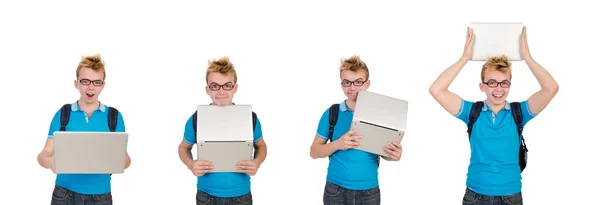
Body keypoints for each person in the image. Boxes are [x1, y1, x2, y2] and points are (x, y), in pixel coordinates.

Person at [429, 27, 559, 205]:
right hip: (475, 195)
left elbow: (551, 89)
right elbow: (436, 90)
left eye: (504, 83)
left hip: (511, 196)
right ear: (482, 86)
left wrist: (527, 58)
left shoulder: (519, 113)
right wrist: (464, 58)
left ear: (510, 85)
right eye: (492, 83)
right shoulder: (471, 112)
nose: (499, 89)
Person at [37, 54, 132, 205]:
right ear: (77, 83)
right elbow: (43, 155)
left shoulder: (114, 117)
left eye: (97, 82)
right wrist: (51, 162)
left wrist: (119, 162)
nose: (91, 87)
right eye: (85, 81)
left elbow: (126, 160)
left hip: (101, 196)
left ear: (103, 85)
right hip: (64, 194)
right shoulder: (63, 114)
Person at [309, 55, 403, 205]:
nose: (352, 88)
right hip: (335, 191)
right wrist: (337, 144)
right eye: (347, 82)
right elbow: (313, 152)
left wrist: (393, 155)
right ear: (342, 84)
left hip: (369, 192)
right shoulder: (332, 113)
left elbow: (384, 152)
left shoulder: (380, 115)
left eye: (358, 82)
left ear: (367, 83)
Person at [177, 57, 267, 205]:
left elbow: (261, 146)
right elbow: (183, 147)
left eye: (227, 85)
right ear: (207, 89)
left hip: (241, 195)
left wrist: (256, 162)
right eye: (215, 86)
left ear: (235, 88)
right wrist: (191, 164)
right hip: (206, 196)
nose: (221, 91)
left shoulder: (249, 118)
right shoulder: (197, 118)